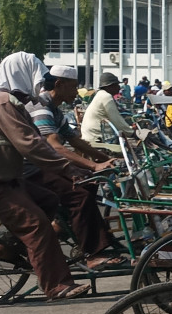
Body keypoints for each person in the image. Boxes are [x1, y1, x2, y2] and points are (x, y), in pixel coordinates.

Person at [0, 54, 109, 299]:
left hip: (6, 179)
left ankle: (9, 247)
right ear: (21, 75)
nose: (41, 84)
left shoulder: (15, 104)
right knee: (37, 226)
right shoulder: (2, 102)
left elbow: (40, 143)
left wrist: (78, 169)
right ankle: (57, 285)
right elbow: (31, 145)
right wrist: (69, 170)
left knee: (49, 201)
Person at [23, 66, 124, 270]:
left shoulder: (56, 110)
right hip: (29, 169)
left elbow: (76, 142)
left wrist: (107, 159)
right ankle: (91, 253)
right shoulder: (41, 106)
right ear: (59, 85)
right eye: (73, 87)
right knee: (79, 195)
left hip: (45, 165)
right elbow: (56, 147)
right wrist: (95, 165)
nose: (76, 92)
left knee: (89, 183)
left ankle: (63, 228)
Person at [82, 72, 134, 149]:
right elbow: (116, 120)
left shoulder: (101, 94)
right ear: (110, 86)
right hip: (97, 137)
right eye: (117, 85)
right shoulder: (106, 97)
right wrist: (132, 133)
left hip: (90, 134)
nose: (119, 87)